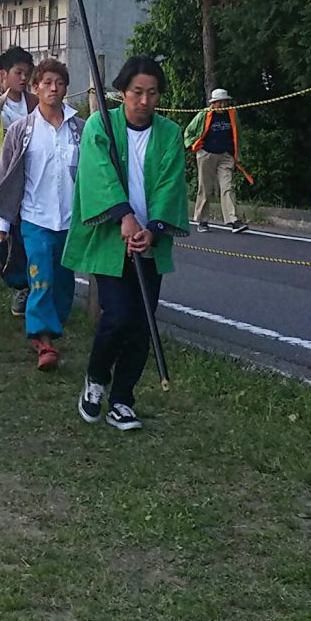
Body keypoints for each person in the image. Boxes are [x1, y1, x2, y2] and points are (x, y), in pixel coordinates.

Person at [66, 55, 188, 432]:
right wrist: (124, 216)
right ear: (122, 92)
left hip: (150, 239)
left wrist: (151, 229)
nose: (144, 101)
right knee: (117, 315)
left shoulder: (169, 134)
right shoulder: (100, 126)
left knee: (142, 323)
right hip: (110, 237)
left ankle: (122, 399)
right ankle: (96, 380)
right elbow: (97, 172)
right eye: (137, 92)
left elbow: (170, 185)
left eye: (152, 93)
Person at [0, 58, 83, 371]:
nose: (53, 88)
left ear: (65, 87)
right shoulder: (21, 131)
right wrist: (2, 224)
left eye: (59, 83)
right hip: (35, 218)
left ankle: (52, 327)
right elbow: (7, 177)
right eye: (46, 83)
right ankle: (42, 340)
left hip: (70, 219)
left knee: (64, 281)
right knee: (40, 276)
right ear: (35, 88)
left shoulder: (79, 128)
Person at [0, 46, 36, 312]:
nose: (23, 79)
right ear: (4, 74)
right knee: (5, 234)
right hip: (2, 172)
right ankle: (18, 284)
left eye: (27, 74)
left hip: (31, 173)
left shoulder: (34, 103)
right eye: (18, 73)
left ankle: (31, 286)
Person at [184, 88, 244, 231]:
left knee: (227, 187)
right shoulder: (204, 114)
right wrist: (194, 144)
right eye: (220, 102)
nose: (223, 105)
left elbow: (238, 134)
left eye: (225, 101)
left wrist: (236, 154)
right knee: (205, 188)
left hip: (225, 155)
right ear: (214, 103)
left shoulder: (232, 114)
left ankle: (233, 220)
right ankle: (202, 221)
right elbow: (189, 132)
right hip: (207, 154)